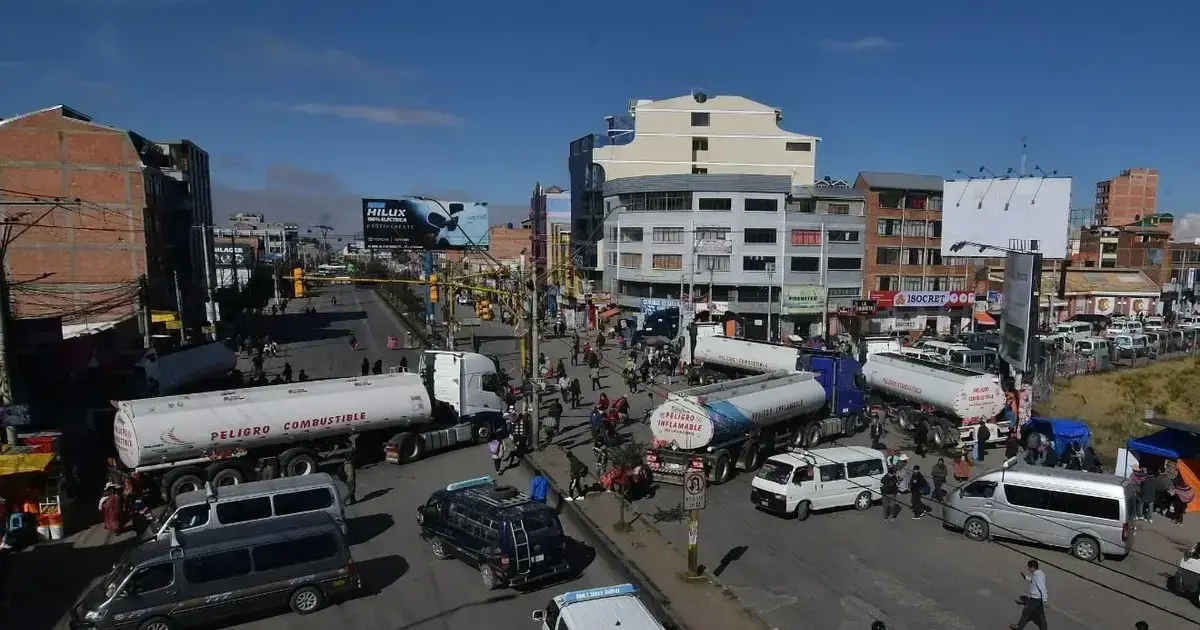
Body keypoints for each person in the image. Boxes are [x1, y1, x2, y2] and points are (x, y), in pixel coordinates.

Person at [1011, 559, 1048, 630]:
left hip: (1035, 598)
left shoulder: (1038, 576)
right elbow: (1033, 581)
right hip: (1038, 599)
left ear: (1032, 567)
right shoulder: (1038, 574)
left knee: (1025, 612)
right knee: (1041, 615)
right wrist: (1026, 578)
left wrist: (1045, 599)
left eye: (1029, 568)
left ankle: (1019, 627)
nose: (1029, 569)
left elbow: (1042, 588)